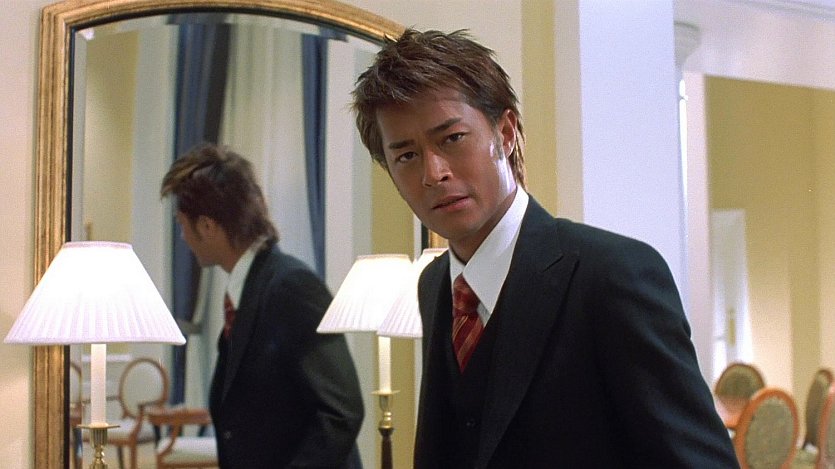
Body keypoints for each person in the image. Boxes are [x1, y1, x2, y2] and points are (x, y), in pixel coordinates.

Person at [352, 29, 739, 468]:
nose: (433, 173)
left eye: (452, 138)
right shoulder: (434, 285)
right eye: (406, 156)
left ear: (506, 132)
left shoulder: (611, 275)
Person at [160, 143, 364, 468]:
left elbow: (341, 411)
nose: (183, 236)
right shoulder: (249, 288)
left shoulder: (291, 287)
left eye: (182, 223)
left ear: (208, 226)